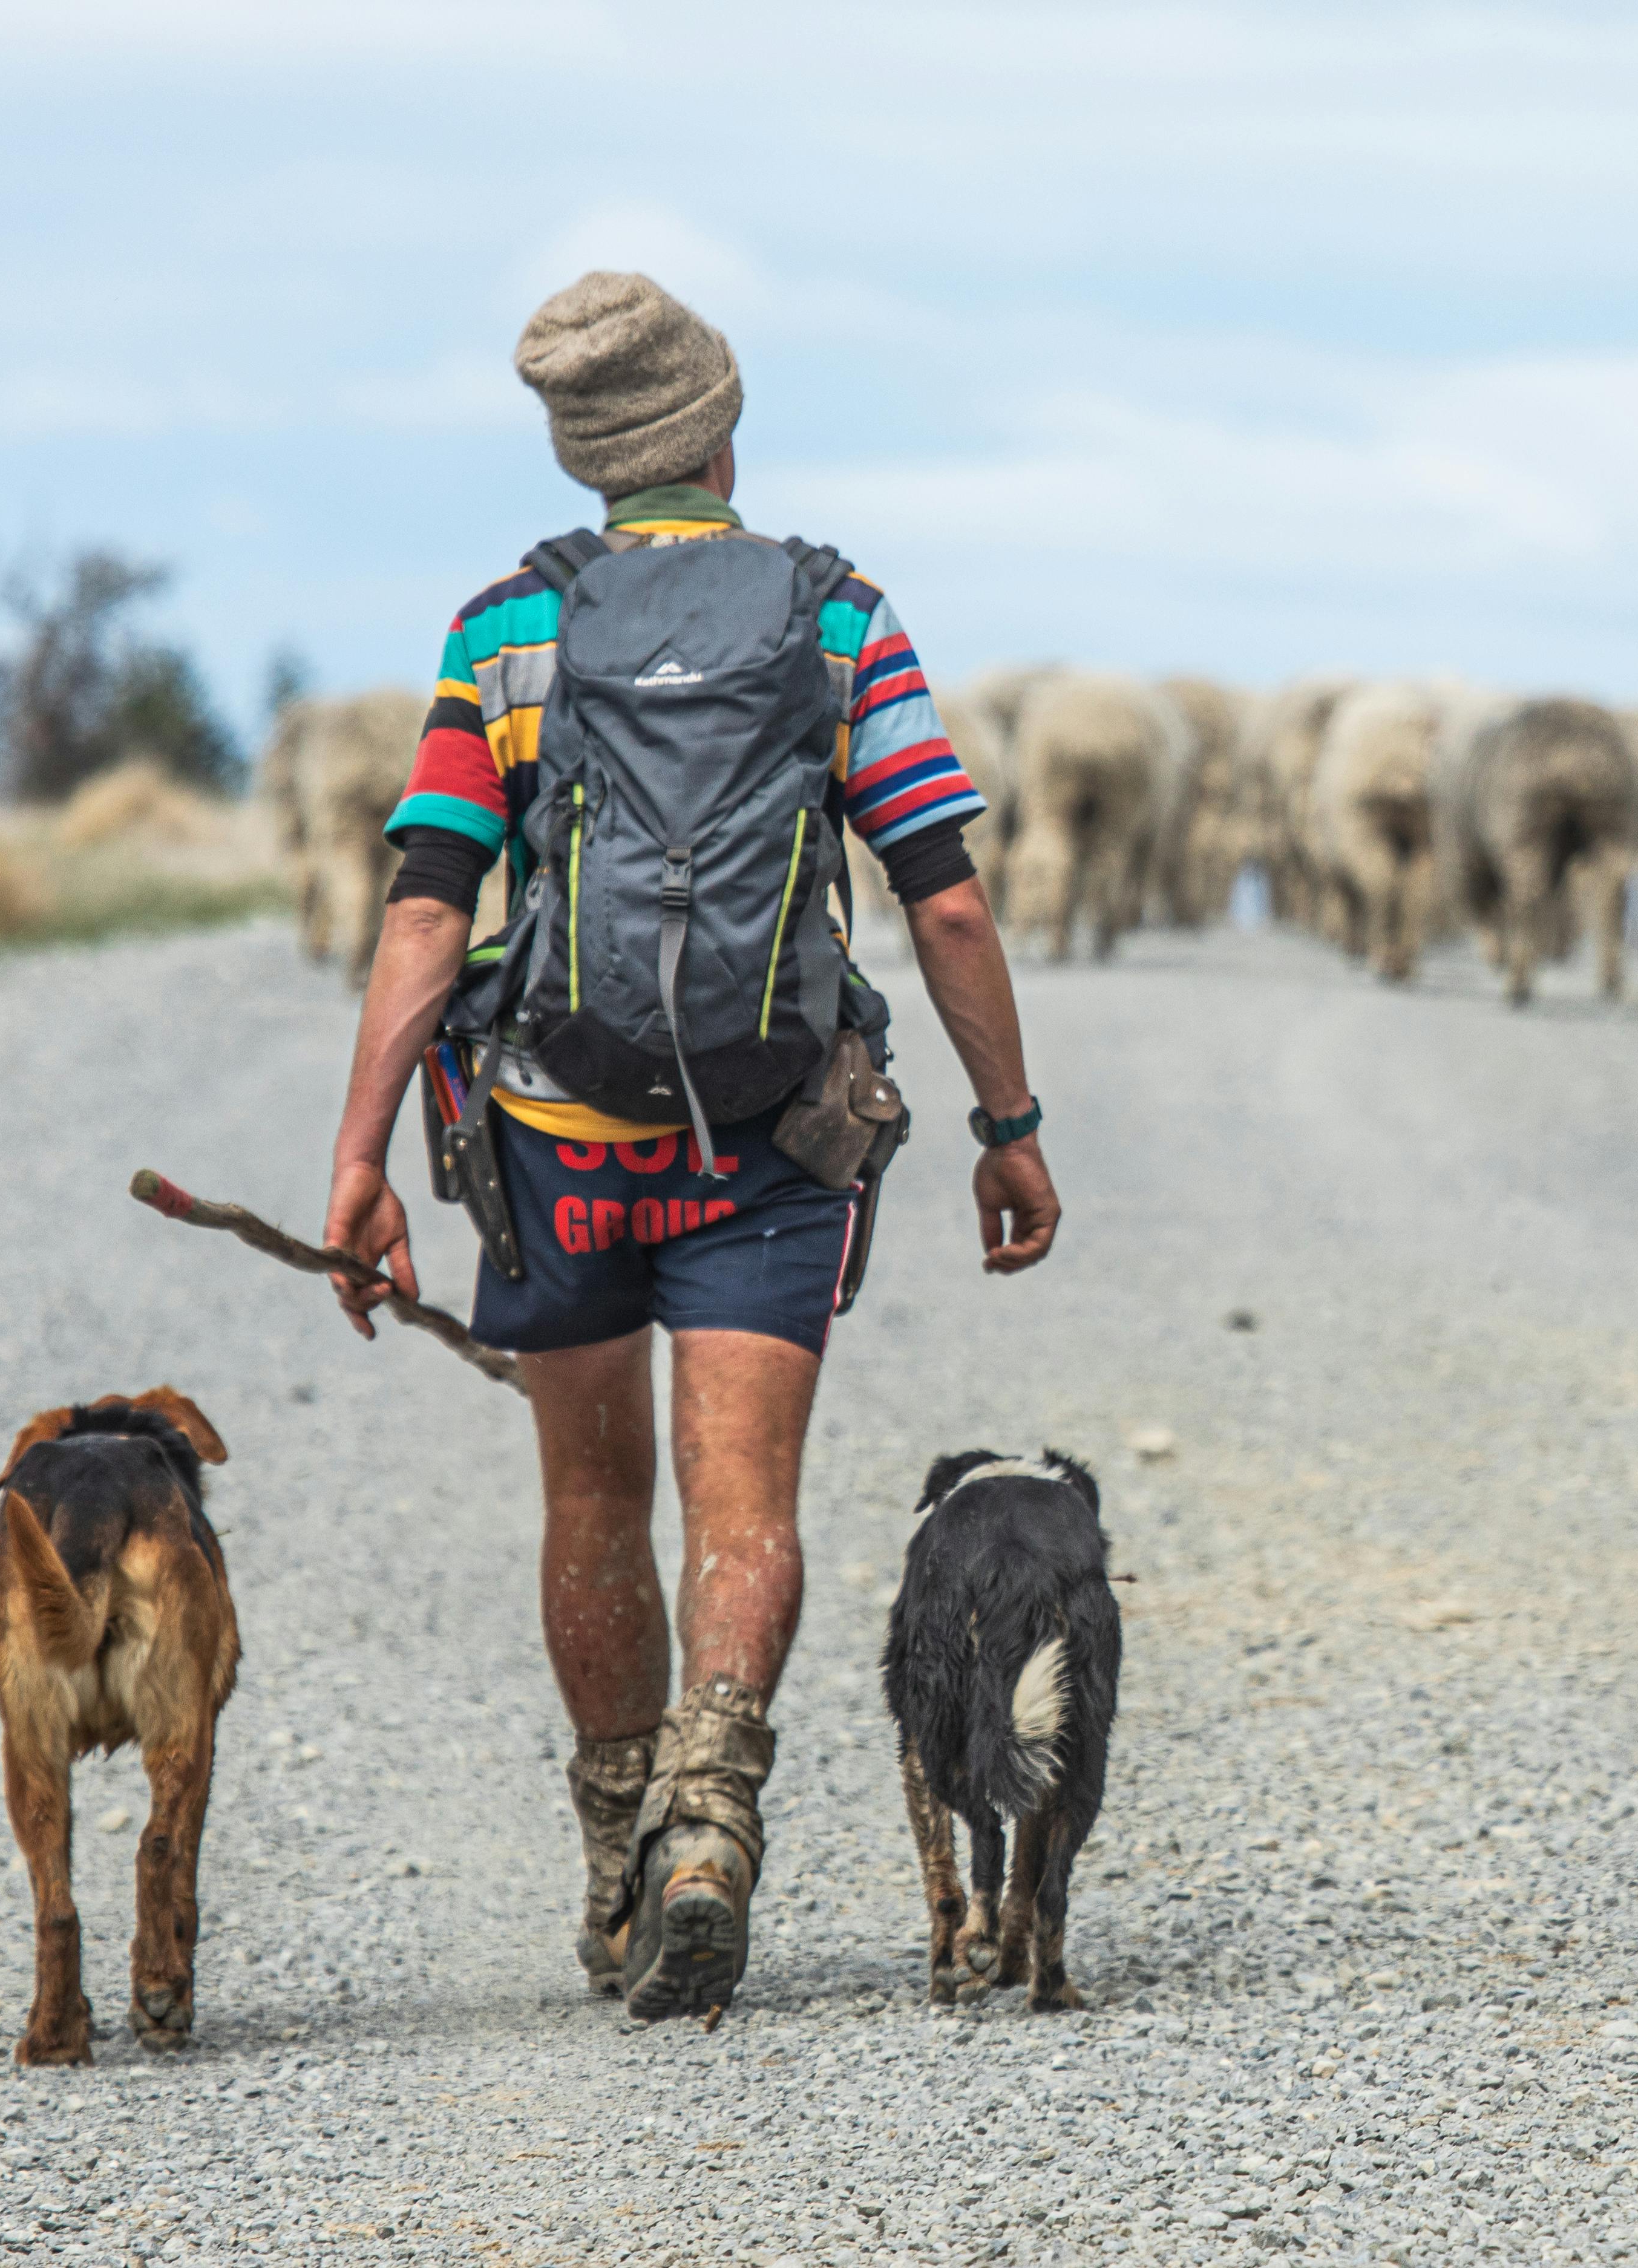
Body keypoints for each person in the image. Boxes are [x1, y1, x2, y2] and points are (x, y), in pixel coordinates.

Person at [319, 270, 1061, 2021]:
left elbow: (428, 911)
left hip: (554, 1138)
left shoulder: (503, 634)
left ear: (582, 454)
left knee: (592, 1499)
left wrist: (357, 1159)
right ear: (724, 427)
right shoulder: (834, 621)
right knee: (746, 1505)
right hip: (766, 1136)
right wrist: (1008, 1126)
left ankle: (612, 1857)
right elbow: (942, 903)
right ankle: (710, 1823)